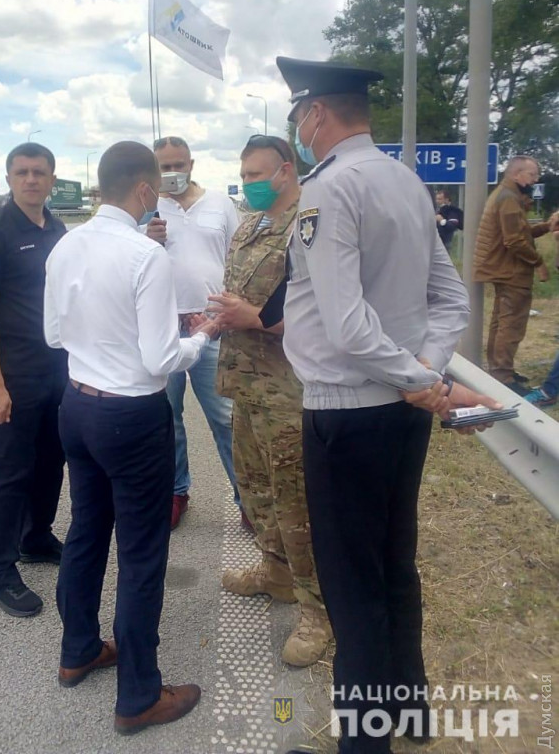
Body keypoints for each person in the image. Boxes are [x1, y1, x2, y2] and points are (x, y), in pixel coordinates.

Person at [279, 56, 475, 753]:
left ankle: (364, 743)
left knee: (352, 584)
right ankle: (409, 713)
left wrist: (413, 377)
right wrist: (423, 373)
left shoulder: (328, 189)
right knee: (395, 564)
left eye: (299, 117)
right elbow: (451, 300)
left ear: (316, 115)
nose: (299, 130)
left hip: (346, 412)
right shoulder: (405, 181)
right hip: (402, 412)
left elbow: (346, 324)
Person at [44, 140, 217, 735]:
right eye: (156, 190)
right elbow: (160, 358)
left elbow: (53, 334)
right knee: (142, 553)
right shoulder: (146, 255)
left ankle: (78, 649)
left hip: (77, 406)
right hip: (131, 415)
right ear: (144, 190)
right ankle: (139, 695)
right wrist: (202, 336)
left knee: (87, 530)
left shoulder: (66, 245)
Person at [208, 134, 332, 668]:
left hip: (288, 390)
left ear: (285, 170)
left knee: (296, 505)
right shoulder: (250, 225)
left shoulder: (310, 225)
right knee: (257, 492)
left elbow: (325, 309)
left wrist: (256, 319)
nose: (248, 184)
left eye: (256, 175)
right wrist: (219, 317)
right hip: (246, 384)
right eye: (244, 175)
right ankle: (275, 572)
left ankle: (317, 610)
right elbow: (241, 292)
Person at [0, 142, 68, 618]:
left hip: (57, 372)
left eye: (39, 172)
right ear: (9, 178)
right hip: (15, 376)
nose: (31, 179)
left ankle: (35, 537)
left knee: (50, 462)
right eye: (22, 172)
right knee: (8, 474)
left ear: (51, 180)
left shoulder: (58, 230)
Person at [146, 135, 241, 529]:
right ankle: (175, 490)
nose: (172, 173)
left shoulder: (220, 204)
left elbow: (239, 257)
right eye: (164, 167)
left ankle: (248, 497)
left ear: (191, 164)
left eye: (178, 164)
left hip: (211, 324)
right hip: (162, 325)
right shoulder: (146, 208)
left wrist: (228, 313)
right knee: (166, 418)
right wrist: (145, 238)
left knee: (227, 417)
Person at [473, 156, 559, 394]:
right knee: (511, 325)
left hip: (502, 268)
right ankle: (503, 377)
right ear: (516, 174)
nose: (536, 179)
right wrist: (539, 263)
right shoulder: (509, 199)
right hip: (511, 271)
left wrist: (546, 226)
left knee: (501, 323)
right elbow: (515, 241)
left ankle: (500, 371)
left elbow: (521, 232)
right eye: (532, 174)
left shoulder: (507, 195)